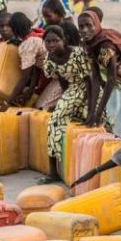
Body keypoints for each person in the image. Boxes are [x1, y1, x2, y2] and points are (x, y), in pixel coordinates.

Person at [41, 23, 91, 184]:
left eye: (55, 41)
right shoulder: (49, 59)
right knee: (54, 122)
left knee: (93, 123)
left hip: (87, 89)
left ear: (65, 40)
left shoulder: (77, 54)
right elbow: (62, 79)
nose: (51, 45)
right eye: (48, 42)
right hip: (71, 91)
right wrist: (64, 101)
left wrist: (92, 106)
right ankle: (53, 170)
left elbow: (90, 80)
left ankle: (88, 168)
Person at [1, 13, 57, 111]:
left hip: (60, 78)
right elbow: (35, 67)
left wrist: (8, 101)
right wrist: (30, 91)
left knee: (41, 107)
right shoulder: (36, 34)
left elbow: (24, 77)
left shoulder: (28, 44)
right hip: (54, 75)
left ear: (15, 30)